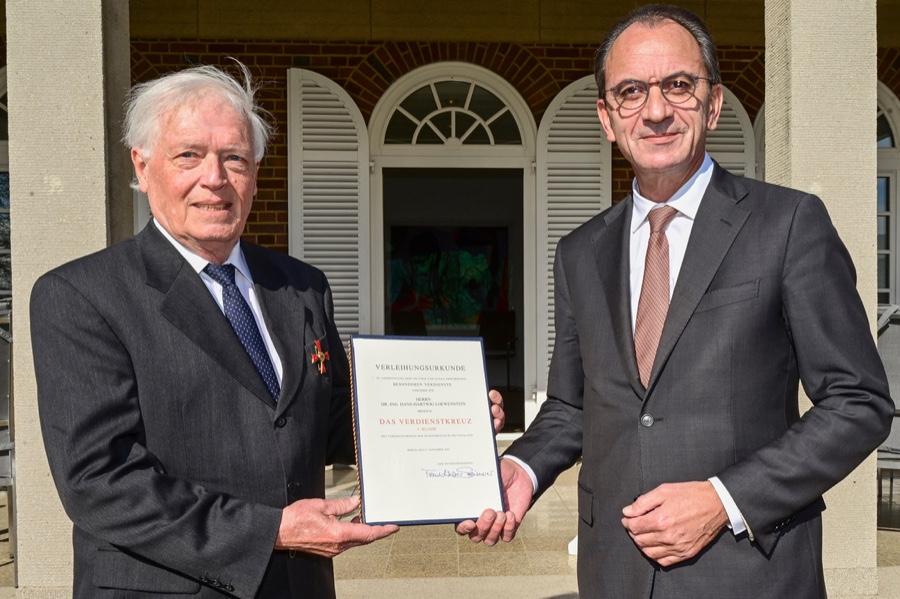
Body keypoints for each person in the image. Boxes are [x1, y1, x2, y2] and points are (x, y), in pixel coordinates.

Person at [457, 4, 894, 598]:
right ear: (607, 119)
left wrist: (725, 497)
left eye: (678, 86)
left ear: (713, 104)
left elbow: (858, 401)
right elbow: (571, 406)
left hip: (750, 572)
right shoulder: (581, 251)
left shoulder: (787, 224)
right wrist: (523, 468)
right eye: (631, 92)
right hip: (615, 573)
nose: (656, 110)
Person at [29, 62, 503, 599]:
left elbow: (329, 424)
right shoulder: (81, 295)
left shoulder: (300, 286)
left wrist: (447, 421)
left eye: (234, 158)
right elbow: (100, 482)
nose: (215, 178)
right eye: (189, 155)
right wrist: (271, 531)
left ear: (254, 173)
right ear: (141, 166)